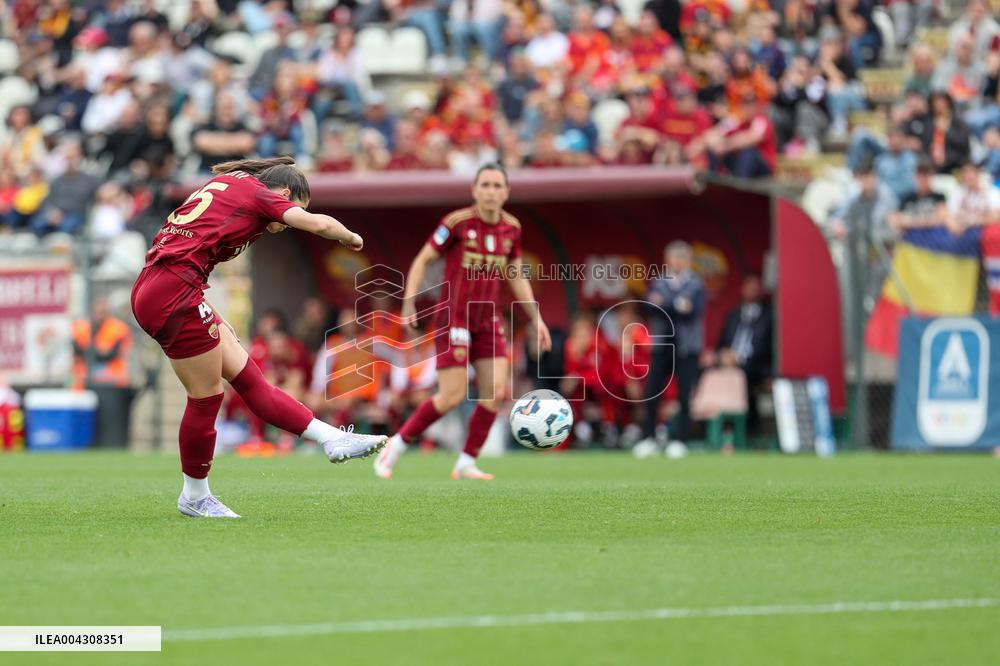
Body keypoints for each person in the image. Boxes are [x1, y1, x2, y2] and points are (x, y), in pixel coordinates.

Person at [130, 157, 387, 519]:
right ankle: (194, 495)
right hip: (172, 292)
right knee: (206, 398)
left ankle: (331, 438)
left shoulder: (236, 182)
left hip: (165, 287)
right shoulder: (262, 194)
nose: (287, 219)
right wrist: (349, 236)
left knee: (250, 380)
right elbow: (315, 223)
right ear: (284, 194)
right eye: (295, 204)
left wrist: (212, 312)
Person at [374, 164, 553, 480]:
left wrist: (536, 317)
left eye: (498, 186)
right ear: (474, 190)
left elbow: (515, 275)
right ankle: (397, 444)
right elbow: (422, 259)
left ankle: (467, 461)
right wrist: (409, 301)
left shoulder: (512, 228)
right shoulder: (456, 223)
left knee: (495, 392)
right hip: (454, 318)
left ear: (507, 193)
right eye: (485, 185)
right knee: (452, 396)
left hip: (488, 319)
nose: (491, 191)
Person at [637, 241, 706, 449]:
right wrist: (677, 304)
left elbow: (694, 311)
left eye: (681, 258)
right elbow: (650, 306)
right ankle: (648, 438)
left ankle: (681, 440)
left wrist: (665, 304)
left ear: (688, 261)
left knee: (684, 394)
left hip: (686, 348)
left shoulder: (696, 283)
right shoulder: (658, 281)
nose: (676, 262)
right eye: (673, 258)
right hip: (662, 345)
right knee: (652, 392)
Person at [703, 274, 773, 434]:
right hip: (728, 361)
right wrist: (723, 354)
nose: (751, 291)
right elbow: (722, 342)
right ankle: (711, 425)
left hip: (755, 365)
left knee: (743, 376)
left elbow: (767, 348)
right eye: (748, 287)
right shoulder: (733, 314)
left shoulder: (769, 315)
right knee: (706, 372)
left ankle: (747, 430)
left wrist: (738, 359)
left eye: (755, 288)